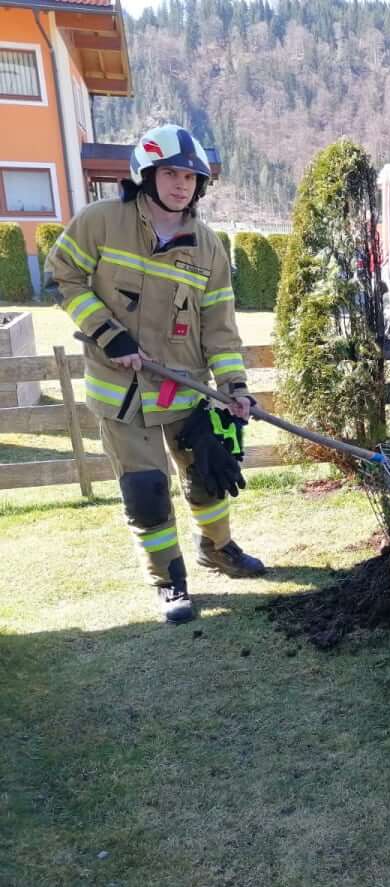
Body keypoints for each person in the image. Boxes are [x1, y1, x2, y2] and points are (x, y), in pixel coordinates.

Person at [44, 124, 267, 625]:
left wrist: (234, 388)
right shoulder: (102, 222)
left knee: (208, 478)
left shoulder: (209, 248)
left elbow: (220, 328)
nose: (181, 184)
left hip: (185, 391)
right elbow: (62, 276)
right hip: (122, 394)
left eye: (190, 177)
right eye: (170, 174)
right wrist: (109, 335)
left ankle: (217, 549)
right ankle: (169, 580)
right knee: (146, 491)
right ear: (146, 175)